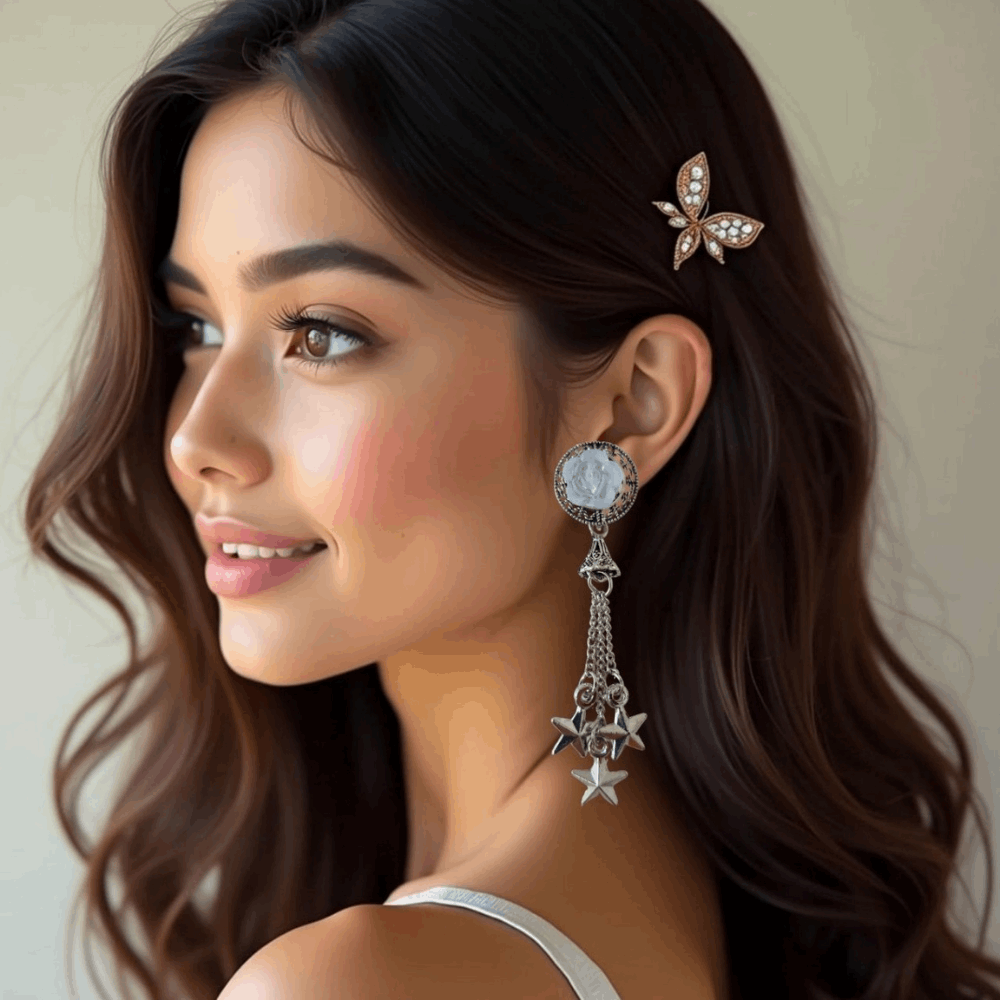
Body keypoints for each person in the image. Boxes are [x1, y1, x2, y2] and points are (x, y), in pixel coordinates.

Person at [22, 0, 1000, 998]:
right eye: (193, 325)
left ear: (630, 402)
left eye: (319, 333)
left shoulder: (351, 984)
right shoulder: (705, 905)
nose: (195, 439)